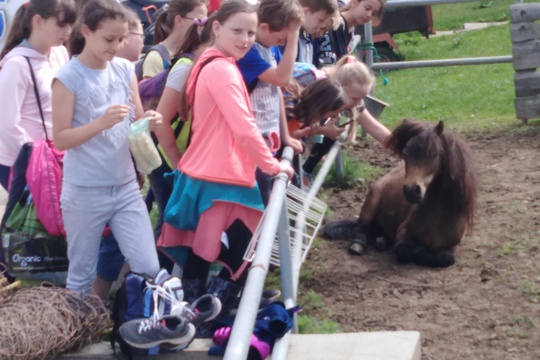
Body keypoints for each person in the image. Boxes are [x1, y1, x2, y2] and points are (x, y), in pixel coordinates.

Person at [156, 0, 294, 325]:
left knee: (201, 250)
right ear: (216, 28)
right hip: (222, 177)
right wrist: (273, 166)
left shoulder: (210, 61)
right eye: (237, 31)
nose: (245, 39)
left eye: (250, 32)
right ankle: (209, 313)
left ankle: (197, 314)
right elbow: (243, 126)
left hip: (206, 172)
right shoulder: (222, 68)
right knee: (241, 248)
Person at [52, 0, 162, 294]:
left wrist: (149, 120)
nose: (117, 46)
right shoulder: (67, 78)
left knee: (149, 266)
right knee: (81, 276)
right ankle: (78, 336)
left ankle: (139, 327)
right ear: (86, 32)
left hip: (125, 186)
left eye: (123, 38)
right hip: (85, 189)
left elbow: (136, 122)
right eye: (109, 39)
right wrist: (100, 123)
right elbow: (60, 138)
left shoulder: (126, 69)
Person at [0, 0, 76, 191]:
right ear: (38, 21)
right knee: (30, 220)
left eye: (70, 24)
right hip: (20, 162)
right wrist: (37, 158)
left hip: (55, 157)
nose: (67, 31)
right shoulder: (16, 65)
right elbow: (7, 124)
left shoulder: (60, 53)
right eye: (61, 24)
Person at [236, 0, 304, 205]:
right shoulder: (248, 53)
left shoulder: (271, 48)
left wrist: (285, 135)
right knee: (259, 201)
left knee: (267, 196)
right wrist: (294, 38)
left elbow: (277, 92)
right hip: (251, 144)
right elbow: (282, 78)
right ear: (264, 28)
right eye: (282, 38)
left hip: (269, 138)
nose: (283, 43)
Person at [296, 55, 391, 184]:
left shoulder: (347, 93)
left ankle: (303, 173)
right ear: (341, 87)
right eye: (356, 98)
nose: (358, 103)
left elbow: (373, 126)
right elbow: (291, 128)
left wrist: (400, 147)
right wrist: (322, 131)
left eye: (361, 99)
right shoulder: (310, 86)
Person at [141, 0, 207, 79]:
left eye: (206, 22)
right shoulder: (156, 58)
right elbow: (150, 90)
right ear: (179, 20)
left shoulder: (197, 52)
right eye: (200, 21)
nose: (203, 27)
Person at [313, 0, 385, 68]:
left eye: (374, 14)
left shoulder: (350, 31)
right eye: (367, 8)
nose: (369, 15)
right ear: (354, 2)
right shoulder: (333, 25)